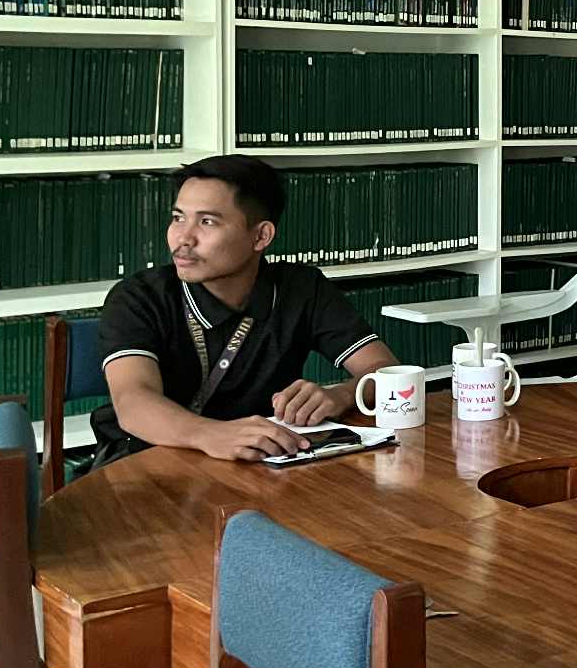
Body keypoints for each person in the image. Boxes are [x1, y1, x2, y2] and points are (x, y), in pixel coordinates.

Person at [95, 155, 399, 463]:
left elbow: (384, 368)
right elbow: (133, 402)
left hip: (261, 461)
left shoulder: (301, 288)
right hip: (150, 460)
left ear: (261, 236)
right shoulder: (139, 297)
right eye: (178, 218)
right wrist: (211, 434)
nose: (183, 238)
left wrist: (341, 395)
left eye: (207, 221)